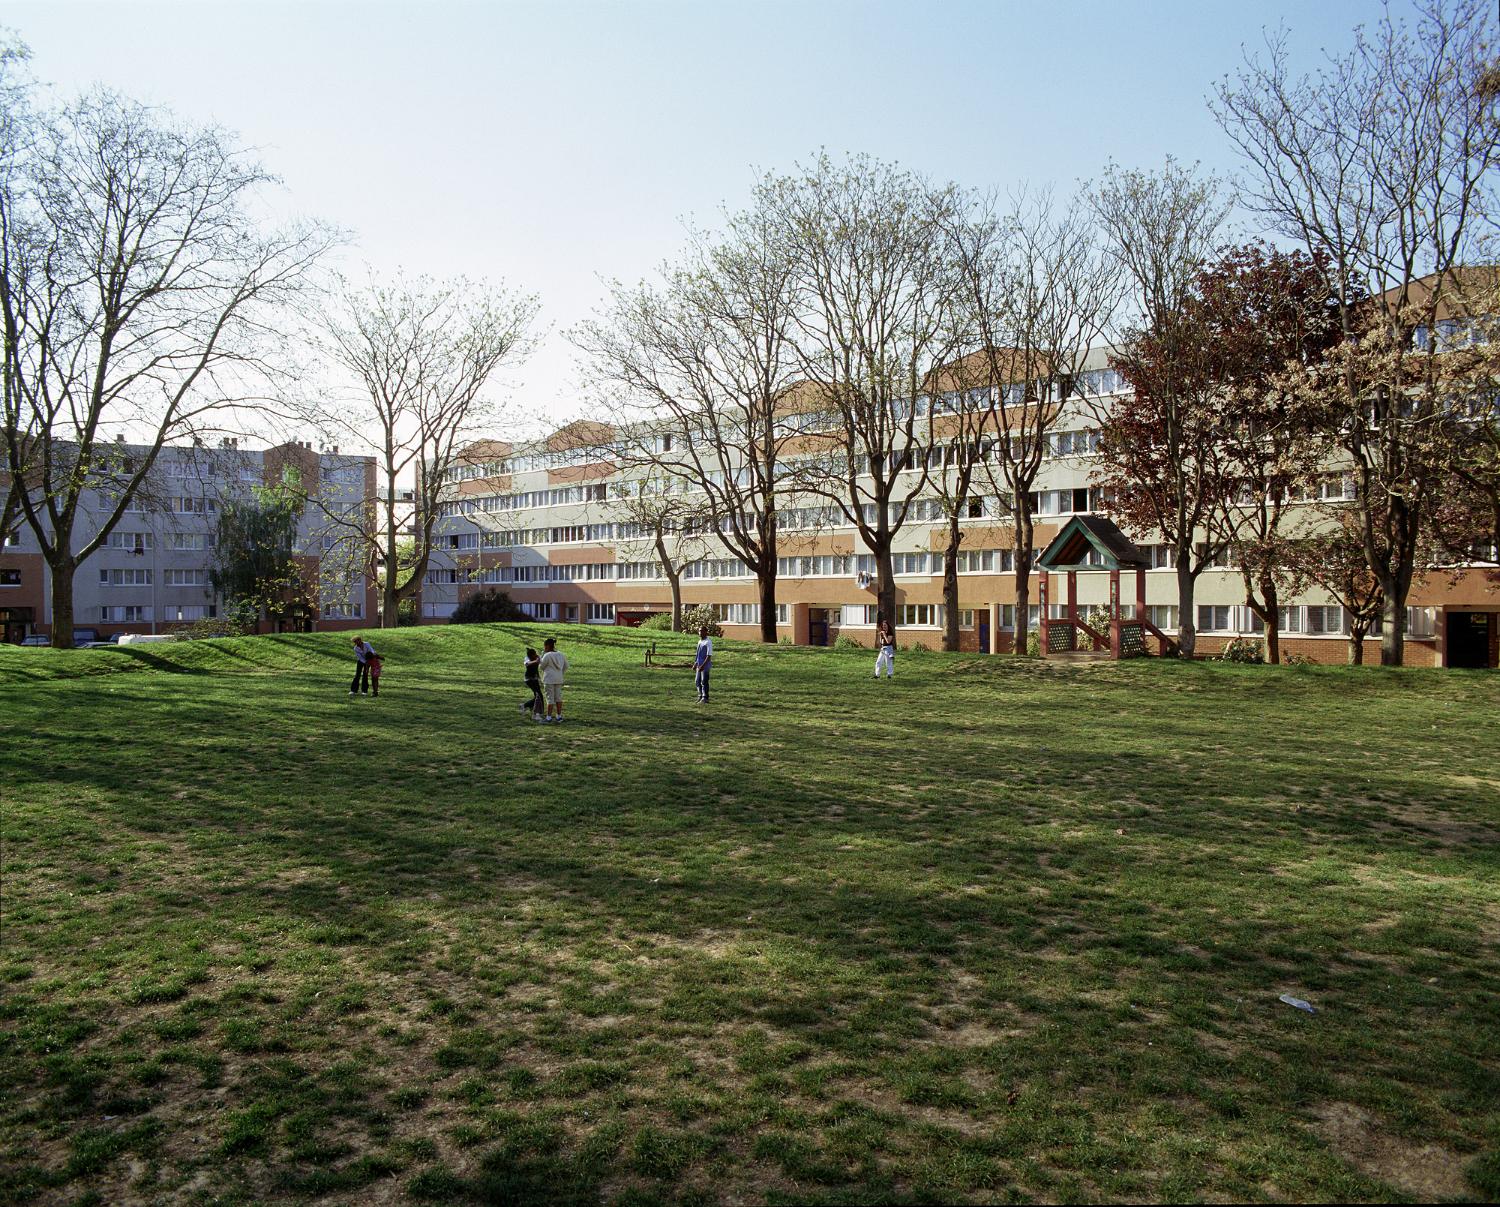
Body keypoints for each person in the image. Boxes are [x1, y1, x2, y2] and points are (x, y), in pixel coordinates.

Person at [538, 636, 568, 723]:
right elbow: (566, 666)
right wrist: (560, 673)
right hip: (559, 678)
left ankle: (548, 717)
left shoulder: (547, 655)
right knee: (558, 697)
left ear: (547, 646)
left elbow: (541, 667)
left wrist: (542, 656)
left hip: (549, 679)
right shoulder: (561, 654)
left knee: (549, 698)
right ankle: (559, 716)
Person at [519, 646, 545, 720]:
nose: (535, 655)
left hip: (535, 679)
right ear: (530, 655)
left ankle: (528, 706)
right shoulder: (527, 658)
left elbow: (541, 661)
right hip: (529, 680)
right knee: (539, 696)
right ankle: (538, 713)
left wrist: (538, 659)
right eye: (533, 655)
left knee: (537, 696)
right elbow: (527, 664)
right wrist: (535, 661)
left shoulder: (537, 657)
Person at [694, 624, 713, 703]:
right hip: (699, 665)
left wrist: (703, 665)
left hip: (705, 665)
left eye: (701, 631)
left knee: (704, 681)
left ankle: (705, 697)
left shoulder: (708, 642)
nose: (700, 632)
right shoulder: (700, 641)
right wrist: (695, 663)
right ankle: (700, 695)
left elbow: (709, 656)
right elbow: (697, 654)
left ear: (706, 632)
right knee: (697, 681)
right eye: (699, 631)